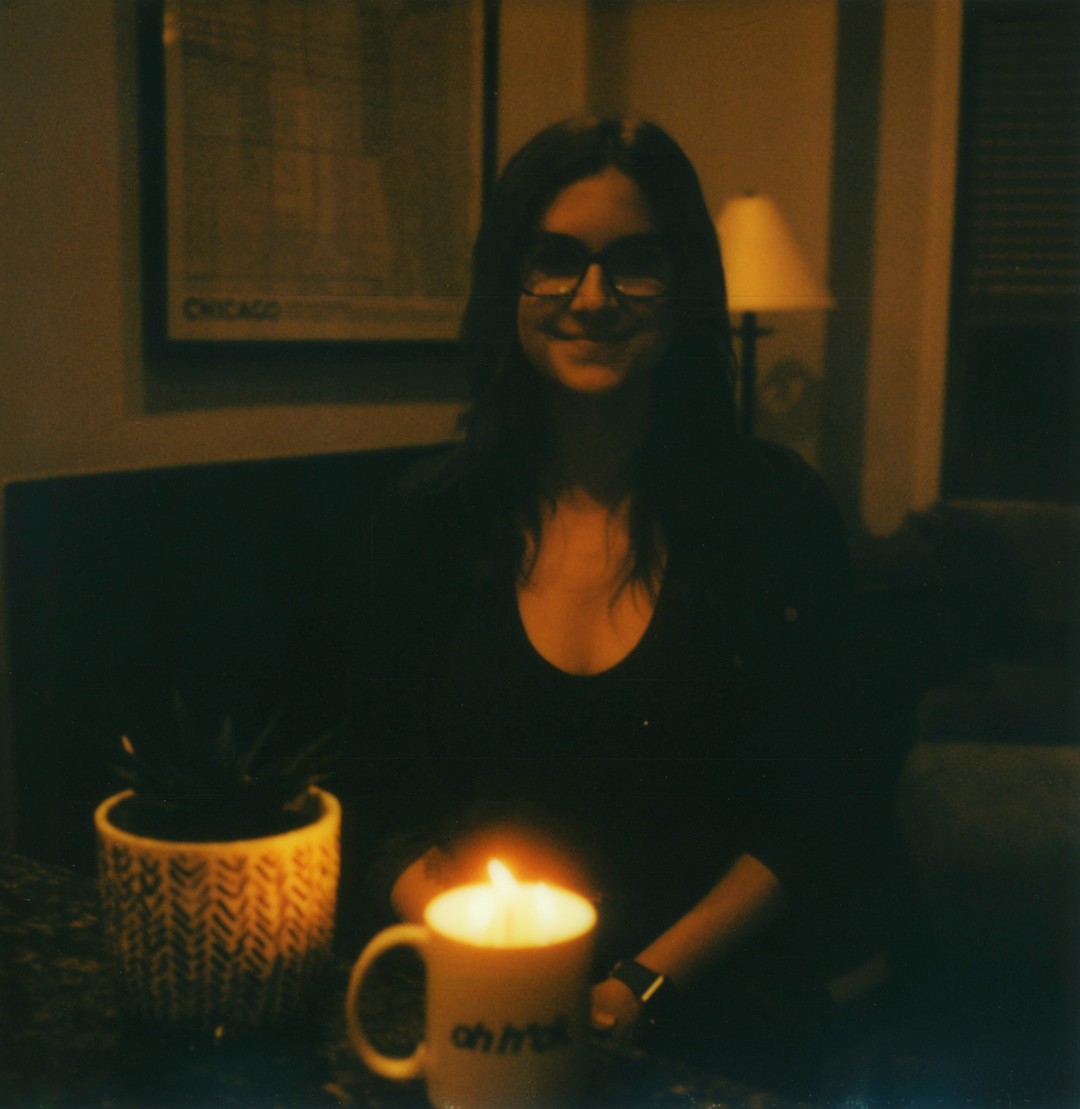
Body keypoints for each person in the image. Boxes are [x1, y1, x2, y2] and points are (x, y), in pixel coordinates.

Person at [349, 117, 886, 1093]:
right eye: (555, 261)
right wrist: (507, 966)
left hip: (718, 1018)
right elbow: (373, 793)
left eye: (632, 263)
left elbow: (821, 806)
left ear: (682, 290)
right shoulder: (421, 522)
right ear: (507, 284)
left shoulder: (773, 511)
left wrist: (641, 981)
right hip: (479, 1020)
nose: (591, 297)